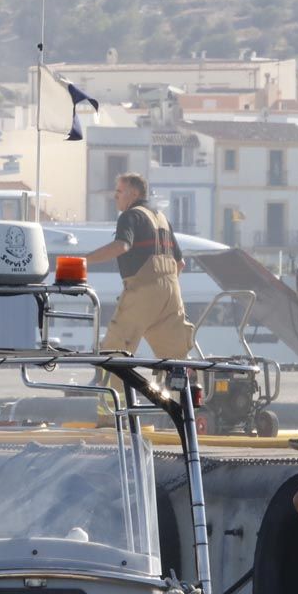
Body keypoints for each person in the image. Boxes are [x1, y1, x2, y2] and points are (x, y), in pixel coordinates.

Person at [84, 173, 192, 416]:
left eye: (119, 191)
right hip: (172, 293)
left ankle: (111, 415)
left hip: (144, 289)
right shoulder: (161, 218)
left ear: (133, 193)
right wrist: (165, 289)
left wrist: (84, 260)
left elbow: (122, 245)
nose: (115, 197)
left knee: (114, 351)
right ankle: (186, 414)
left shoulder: (130, 216)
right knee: (176, 358)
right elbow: (180, 263)